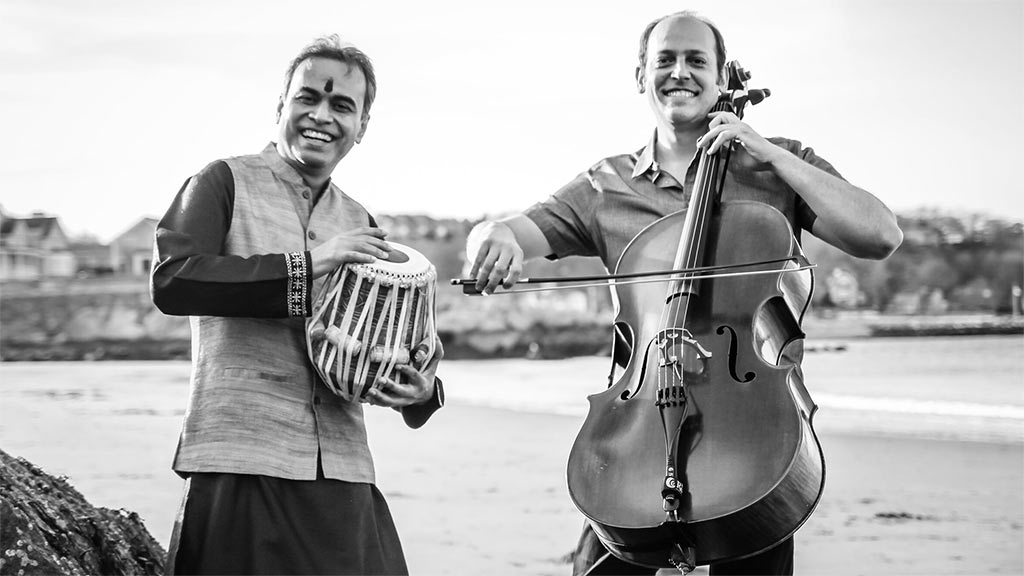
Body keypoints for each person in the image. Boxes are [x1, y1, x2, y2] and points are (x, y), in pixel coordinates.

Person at [466, 11, 902, 576]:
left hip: (751, 433)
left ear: (722, 78)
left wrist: (768, 153)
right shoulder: (606, 185)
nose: (680, 72)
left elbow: (880, 235)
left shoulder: (780, 164)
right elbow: (509, 232)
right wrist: (491, 235)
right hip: (639, 420)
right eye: (665, 60)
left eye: (697, 60)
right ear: (641, 76)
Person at [151, 35, 444, 575]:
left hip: (345, 474)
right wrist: (310, 264)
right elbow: (174, 281)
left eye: (341, 105)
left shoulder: (362, 222)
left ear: (362, 127)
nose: (321, 116)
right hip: (239, 460)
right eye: (307, 98)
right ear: (280, 106)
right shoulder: (221, 181)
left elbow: (388, 342)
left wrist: (420, 392)